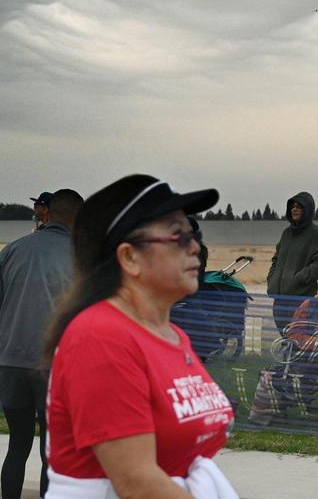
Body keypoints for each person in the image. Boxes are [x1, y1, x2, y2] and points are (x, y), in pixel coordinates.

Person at [41, 175, 237, 497]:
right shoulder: (101, 336)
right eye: (178, 235)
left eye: (193, 233)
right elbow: (137, 482)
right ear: (129, 257)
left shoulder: (172, 335)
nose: (195, 248)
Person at [0, 189, 82, 499]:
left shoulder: (13, 250)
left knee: (17, 445)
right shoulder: (83, 256)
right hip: (54, 367)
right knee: (53, 450)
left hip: (11, 362)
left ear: (48, 213)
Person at [248, 266, 318, 425]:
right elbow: (294, 333)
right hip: (308, 359)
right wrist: (317, 342)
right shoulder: (310, 304)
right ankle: (271, 415)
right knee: (271, 373)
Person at [267, 191, 318, 332]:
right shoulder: (286, 233)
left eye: (299, 206)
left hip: (302, 300)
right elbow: (276, 260)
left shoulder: (317, 235)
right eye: (293, 206)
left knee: (301, 341)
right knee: (286, 340)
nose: (294, 209)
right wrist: (272, 280)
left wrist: (297, 279)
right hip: (280, 300)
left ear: (308, 210)